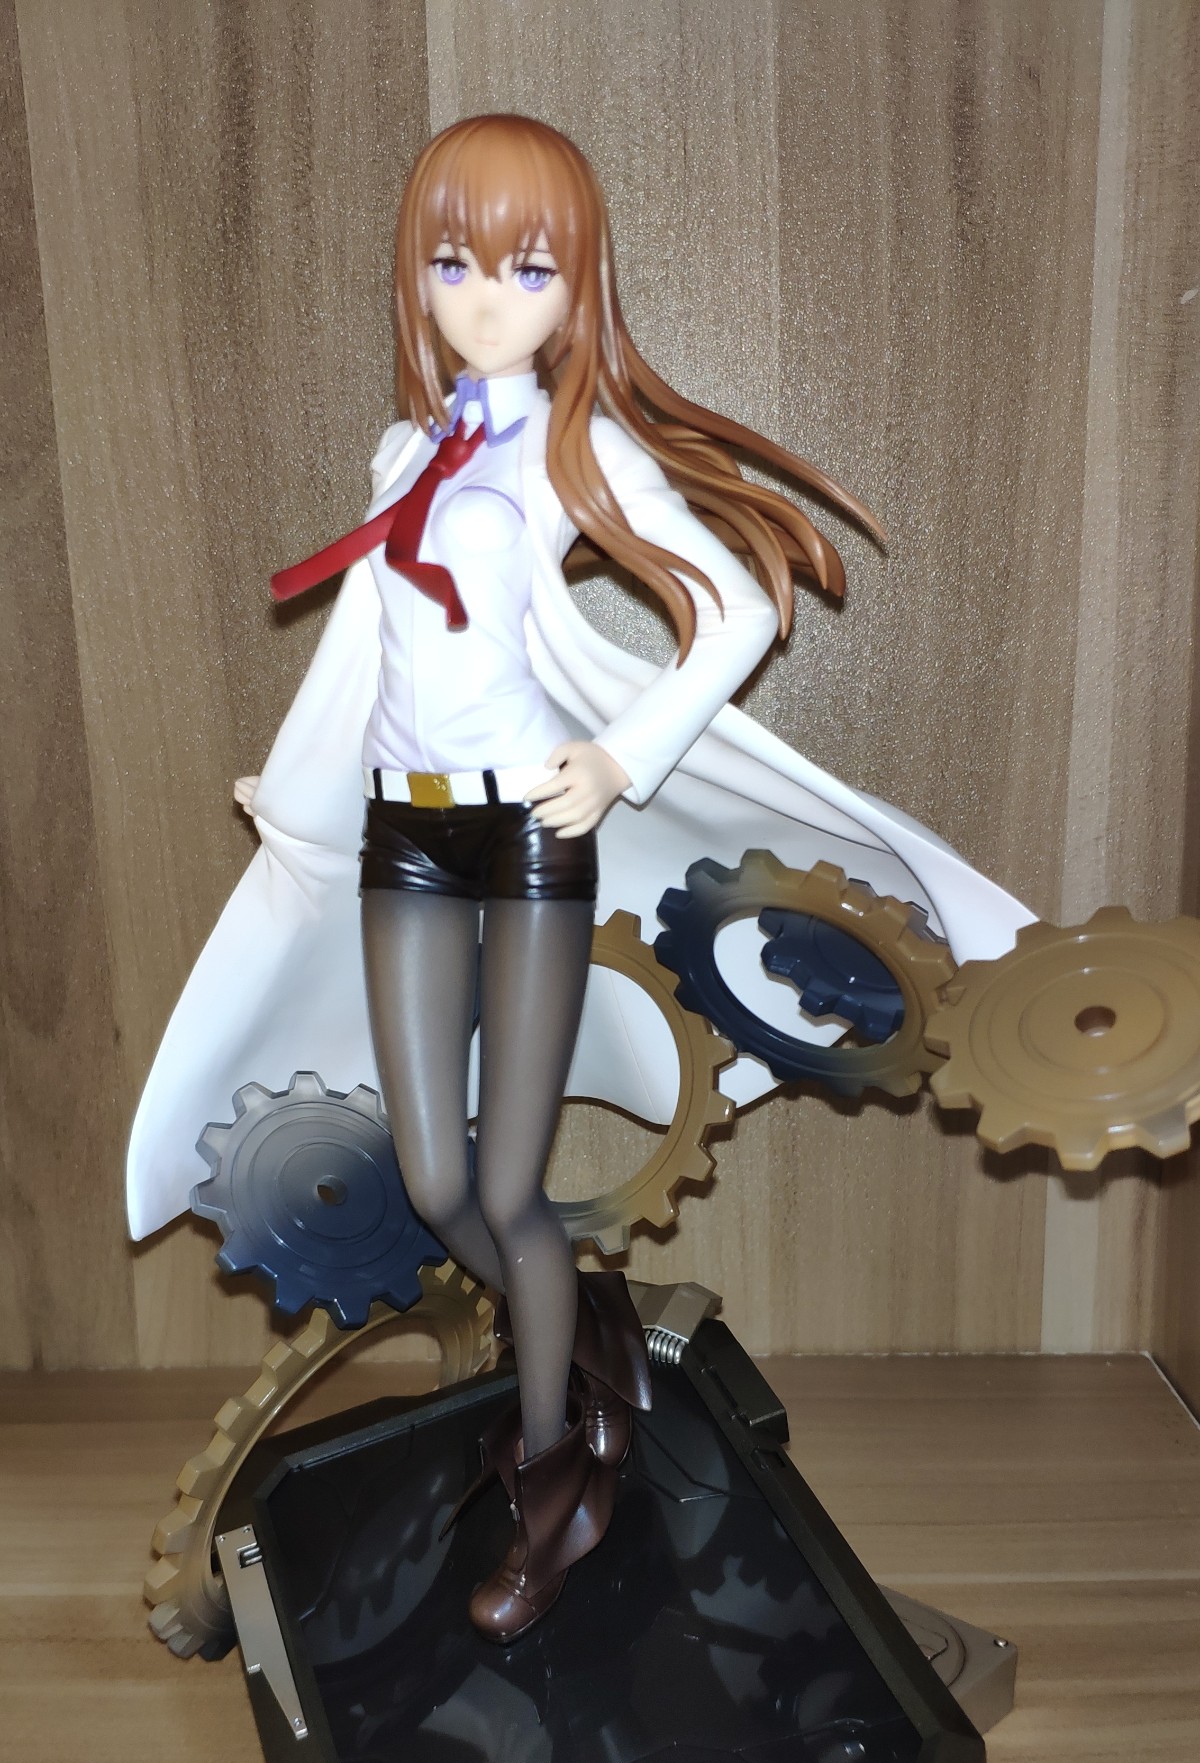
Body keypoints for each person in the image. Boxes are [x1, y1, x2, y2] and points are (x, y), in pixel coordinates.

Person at [126, 114, 1034, 1643]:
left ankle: (553, 1480)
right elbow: (363, 652)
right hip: (407, 836)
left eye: (527, 267)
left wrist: (623, 760)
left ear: (575, 287)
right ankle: (583, 1328)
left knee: (504, 1185)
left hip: (530, 836)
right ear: (417, 277)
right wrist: (291, 794)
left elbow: (736, 608)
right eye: (455, 261)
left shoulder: (576, 449)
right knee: (436, 1177)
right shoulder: (407, 452)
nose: (486, 296)